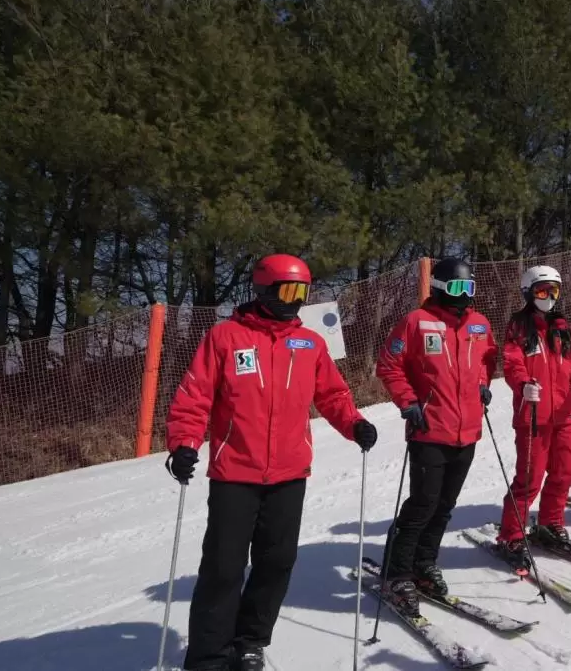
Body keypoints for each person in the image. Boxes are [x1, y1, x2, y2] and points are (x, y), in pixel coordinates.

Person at [164, 254, 378, 671]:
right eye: (288, 291)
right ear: (263, 289)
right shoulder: (226, 337)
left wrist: (354, 424)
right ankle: (208, 656)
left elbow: (332, 395)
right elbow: (195, 397)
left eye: (302, 292)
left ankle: (250, 640)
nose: (295, 300)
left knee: (276, 562)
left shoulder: (310, 343)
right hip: (235, 474)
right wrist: (184, 443)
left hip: (288, 473)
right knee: (224, 568)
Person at [375, 256, 498, 616]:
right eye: (459, 288)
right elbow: (389, 365)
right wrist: (408, 401)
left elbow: (485, 363)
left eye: (470, 288)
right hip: (430, 428)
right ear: (442, 287)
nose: (465, 295)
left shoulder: (478, 324)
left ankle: (425, 564)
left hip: (467, 430)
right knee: (422, 505)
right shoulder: (417, 322)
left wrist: (482, 385)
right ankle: (397, 574)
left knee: (444, 507)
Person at [494, 266, 571, 571]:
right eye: (542, 291)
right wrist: (522, 385)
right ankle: (511, 535)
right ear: (529, 293)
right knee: (529, 478)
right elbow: (512, 363)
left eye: (554, 291)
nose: (549, 297)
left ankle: (550, 523)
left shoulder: (564, 328)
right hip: (533, 416)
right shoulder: (519, 327)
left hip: (562, 415)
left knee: (565, 472)